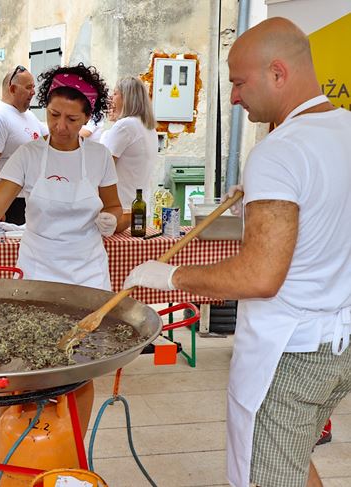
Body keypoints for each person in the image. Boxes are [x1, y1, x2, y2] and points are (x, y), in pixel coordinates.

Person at [124, 17, 351, 487]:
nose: (232, 97)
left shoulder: (279, 150)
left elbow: (260, 276)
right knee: (292, 457)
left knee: (264, 476)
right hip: (338, 345)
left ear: (278, 73)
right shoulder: (344, 129)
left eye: (238, 82)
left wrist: (172, 278)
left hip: (286, 354)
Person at [0, 62, 122, 291]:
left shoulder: (99, 156)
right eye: (54, 115)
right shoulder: (28, 155)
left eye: (71, 119)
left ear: (86, 117)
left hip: (89, 272)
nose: (60, 126)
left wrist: (111, 219)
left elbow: (114, 205)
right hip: (37, 270)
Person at [0, 65, 47, 224]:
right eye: (29, 87)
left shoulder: (29, 115)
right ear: (13, 89)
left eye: (34, 87)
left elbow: (50, 138)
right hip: (7, 200)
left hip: (27, 197)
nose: (33, 92)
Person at [99, 76, 157, 232]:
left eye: (116, 93)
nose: (112, 97)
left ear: (127, 97)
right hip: (138, 208)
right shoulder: (148, 128)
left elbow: (102, 166)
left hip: (119, 209)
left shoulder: (125, 125)